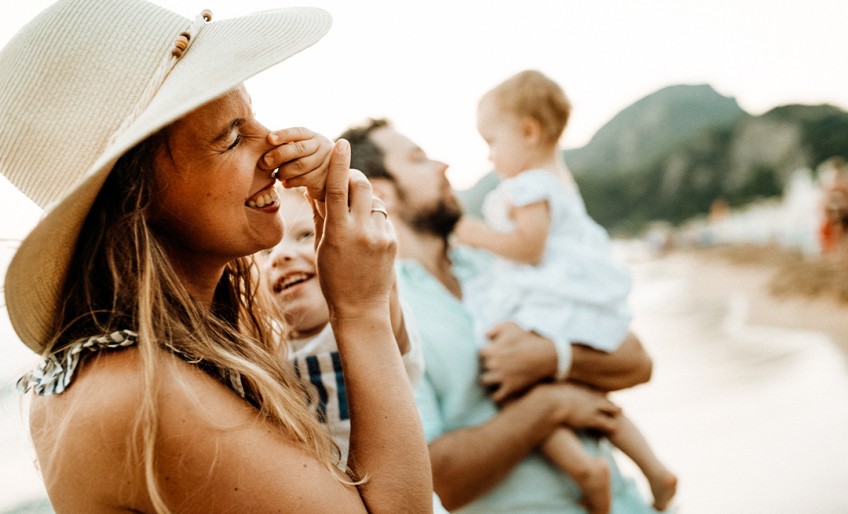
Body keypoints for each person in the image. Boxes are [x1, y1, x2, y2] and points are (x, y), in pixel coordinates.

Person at [2, 1, 433, 512]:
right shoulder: (141, 392)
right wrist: (360, 310)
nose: (271, 146)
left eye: (251, 117)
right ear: (139, 198)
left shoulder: (189, 349)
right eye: (230, 137)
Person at [341, 118, 658, 514]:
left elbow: (637, 361)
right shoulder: (383, 312)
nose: (443, 166)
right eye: (419, 159)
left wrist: (554, 356)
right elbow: (432, 482)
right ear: (381, 190)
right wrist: (549, 405)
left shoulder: (502, 261)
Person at [451, 70, 677, 512]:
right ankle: (654, 470)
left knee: (513, 391)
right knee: (591, 396)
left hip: (544, 301)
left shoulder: (529, 185)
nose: (489, 155)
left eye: (492, 141)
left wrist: (476, 234)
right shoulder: (558, 178)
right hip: (567, 299)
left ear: (529, 132)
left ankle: (584, 470)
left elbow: (529, 248)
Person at [260, 187, 450, 513]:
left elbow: (374, 264)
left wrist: (327, 179)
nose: (280, 256)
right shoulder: (267, 348)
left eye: (305, 235)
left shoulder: (371, 317)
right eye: (265, 252)